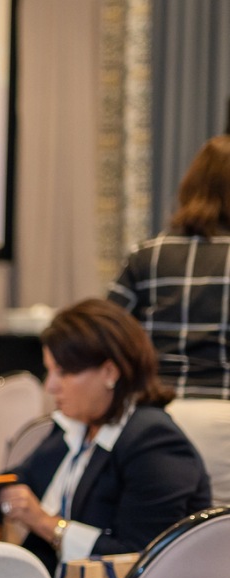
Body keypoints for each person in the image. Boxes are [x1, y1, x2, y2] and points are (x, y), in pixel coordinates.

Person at [0, 299, 212, 574]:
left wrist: (46, 524)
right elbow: (16, 479)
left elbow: (140, 558)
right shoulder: (78, 425)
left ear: (110, 372)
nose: (50, 386)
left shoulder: (154, 442)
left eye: (63, 372)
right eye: (49, 370)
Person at [108, 135, 230, 504]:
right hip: (225, 418)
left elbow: (105, 334)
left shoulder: (146, 255)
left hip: (157, 420)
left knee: (165, 539)